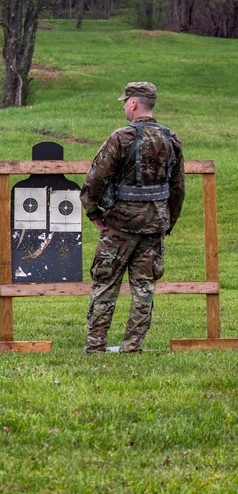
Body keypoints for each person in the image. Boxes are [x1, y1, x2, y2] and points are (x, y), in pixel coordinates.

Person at [81, 82, 185, 354]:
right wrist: (168, 220)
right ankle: (131, 346)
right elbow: (177, 187)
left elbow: (95, 179)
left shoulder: (121, 138)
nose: (125, 107)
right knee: (144, 287)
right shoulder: (171, 139)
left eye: (126, 102)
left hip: (119, 224)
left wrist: (93, 212)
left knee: (106, 282)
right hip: (154, 225)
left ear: (134, 103)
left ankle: (95, 345)